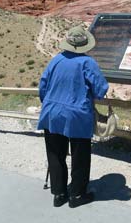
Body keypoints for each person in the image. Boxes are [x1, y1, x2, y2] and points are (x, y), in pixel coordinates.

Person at [37, 26, 109, 208]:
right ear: (85, 45)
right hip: (77, 114)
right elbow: (100, 90)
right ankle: (77, 195)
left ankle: (59, 194)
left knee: (55, 153)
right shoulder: (87, 62)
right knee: (80, 154)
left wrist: (51, 104)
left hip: (52, 112)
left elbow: (42, 87)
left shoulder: (56, 60)